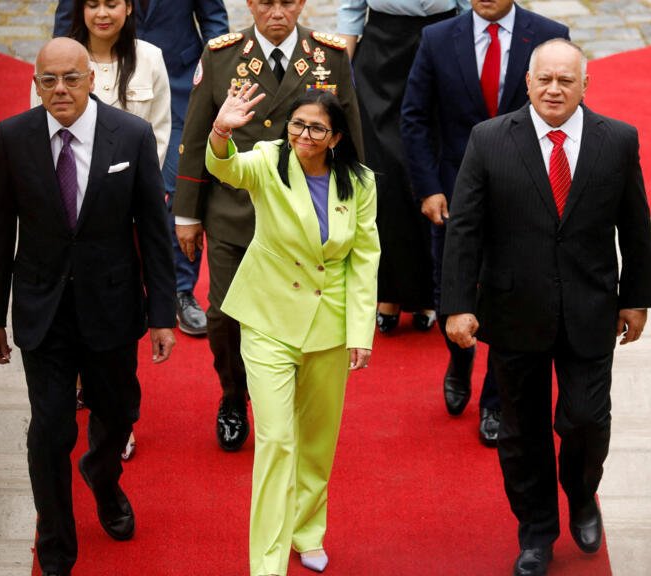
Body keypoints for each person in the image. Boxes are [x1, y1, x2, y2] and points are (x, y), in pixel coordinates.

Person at [441, 39, 651, 576]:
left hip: (591, 308)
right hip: (515, 310)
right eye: (545, 79)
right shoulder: (489, 140)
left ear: (586, 85)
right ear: (529, 83)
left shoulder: (617, 140)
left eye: (566, 80)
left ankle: (582, 496)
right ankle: (536, 530)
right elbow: (465, 228)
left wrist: (636, 297)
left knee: (585, 419)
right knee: (521, 430)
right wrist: (458, 304)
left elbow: (635, 224)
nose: (554, 89)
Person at [0, 38, 176, 576]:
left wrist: (162, 314)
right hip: (42, 311)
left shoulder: (130, 135)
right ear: (36, 82)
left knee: (117, 417)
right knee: (50, 428)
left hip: (111, 309)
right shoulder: (12, 137)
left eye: (71, 78)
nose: (60, 89)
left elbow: (154, 233)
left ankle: (103, 477)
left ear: (91, 78)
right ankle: (57, 543)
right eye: (49, 80)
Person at [174, 0, 364, 452]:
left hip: (304, 218)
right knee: (221, 316)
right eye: (265, 1)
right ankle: (233, 397)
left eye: (286, 1)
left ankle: (286, 404)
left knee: (297, 316)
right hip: (235, 213)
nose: (276, 11)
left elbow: (350, 134)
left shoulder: (330, 56)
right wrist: (187, 213)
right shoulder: (221, 55)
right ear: (249, 4)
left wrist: (352, 208)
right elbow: (197, 132)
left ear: (301, 4)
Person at [207, 84, 379, 576]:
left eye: (317, 128)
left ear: (336, 137)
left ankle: (308, 532)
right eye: (298, 124)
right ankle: (267, 562)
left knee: (318, 441)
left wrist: (359, 331)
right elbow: (225, 167)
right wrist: (222, 130)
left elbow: (365, 258)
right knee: (278, 439)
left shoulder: (361, 182)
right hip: (267, 320)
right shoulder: (267, 159)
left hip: (329, 324)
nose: (304, 135)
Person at [401, 0, 569, 445]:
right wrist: (428, 187)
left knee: (509, 296)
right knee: (448, 285)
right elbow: (414, 116)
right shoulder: (438, 39)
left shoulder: (550, 36)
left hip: (524, 193)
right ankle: (459, 359)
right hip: (455, 192)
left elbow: (564, 115)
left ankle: (495, 400)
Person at [37, 0, 172, 462]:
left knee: (114, 316)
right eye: (92, 3)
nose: (102, 13)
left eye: (112, 2)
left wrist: (131, 189)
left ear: (129, 8)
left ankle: (115, 416)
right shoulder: (58, 59)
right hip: (68, 210)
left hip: (122, 205)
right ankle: (79, 388)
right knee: (70, 304)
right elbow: (37, 137)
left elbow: (157, 132)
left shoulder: (150, 58)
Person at [337, 0, 466, 335]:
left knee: (428, 171)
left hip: (441, 47)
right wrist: (339, 73)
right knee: (385, 178)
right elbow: (351, 10)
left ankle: (428, 293)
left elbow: (467, 9)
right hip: (381, 56)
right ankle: (387, 293)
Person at [135, 0, 230, 337]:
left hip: (180, 84)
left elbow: (213, 19)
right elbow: (69, 22)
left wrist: (219, 73)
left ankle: (181, 290)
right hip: (111, 78)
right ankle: (126, 287)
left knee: (182, 185)